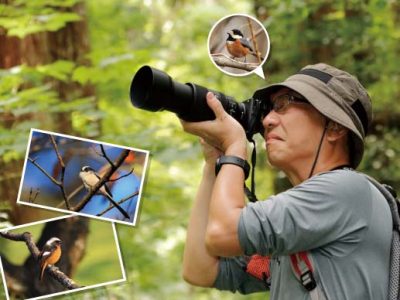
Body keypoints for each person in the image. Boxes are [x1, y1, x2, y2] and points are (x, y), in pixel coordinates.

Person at [181, 63, 392, 299]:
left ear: (334, 127)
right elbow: (199, 269)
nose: (267, 120)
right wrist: (214, 163)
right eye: (269, 109)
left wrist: (235, 147)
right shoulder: (306, 226)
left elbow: (222, 233)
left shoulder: (346, 190)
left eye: (283, 105)